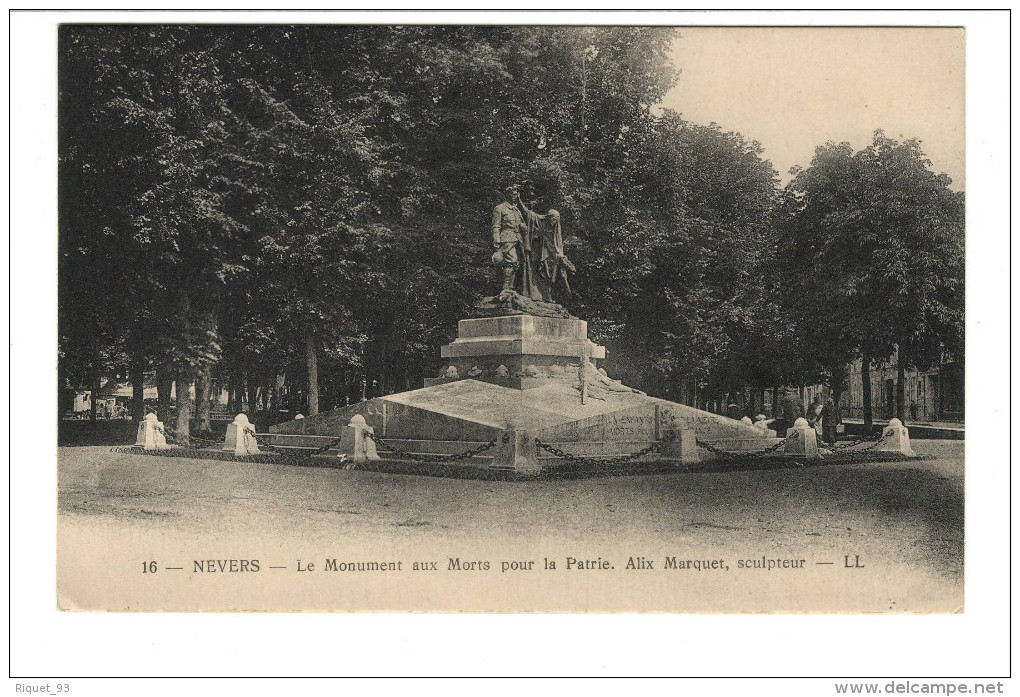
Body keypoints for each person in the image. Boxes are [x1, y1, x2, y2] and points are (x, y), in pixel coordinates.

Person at [516, 193, 575, 303]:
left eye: (556, 220)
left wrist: (559, 255)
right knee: (536, 273)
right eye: (553, 219)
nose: (554, 222)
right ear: (549, 217)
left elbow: (557, 245)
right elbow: (528, 213)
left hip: (550, 256)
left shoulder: (555, 231)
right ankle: (536, 296)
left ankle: (547, 296)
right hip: (537, 253)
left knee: (549, 277)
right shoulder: (539, 220)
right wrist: (519, 201)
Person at [491, 186, 528, 294]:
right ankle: (505, 286)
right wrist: (496, 240)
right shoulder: (500, 208)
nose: (515, 196)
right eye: (513, 194)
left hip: (519, 238)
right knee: (511, 260)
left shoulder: (516, 209)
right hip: (507, 238)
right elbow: (496, 226)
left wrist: (523, 227)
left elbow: (521, 223)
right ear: (507, 194)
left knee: (517, 263)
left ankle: (511, 287)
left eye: (516, 194)